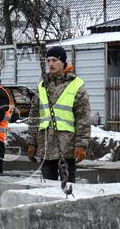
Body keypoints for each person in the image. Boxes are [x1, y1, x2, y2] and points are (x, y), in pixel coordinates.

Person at [26, 46, 91, 182]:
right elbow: (34, 116)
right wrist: (32, 142)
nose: (51, 64)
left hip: (66, 146)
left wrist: (81, 145)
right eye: (48, 60)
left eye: (54, 60)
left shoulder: (76, 84)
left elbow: (83, 118)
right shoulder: (42, 85)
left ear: (63, 62)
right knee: (47, 186)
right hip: (46, 146)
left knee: (67, 183)